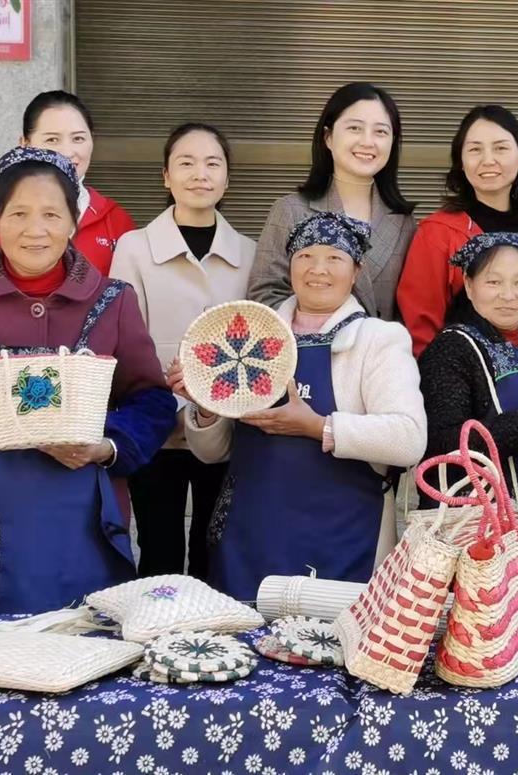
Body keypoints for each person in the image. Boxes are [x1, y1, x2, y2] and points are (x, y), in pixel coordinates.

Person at [172, 212, 426, 601]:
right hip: (250, 534)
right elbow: (213, 453)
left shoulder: (378, 339)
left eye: (334, 258)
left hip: (341, 536)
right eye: (305, 256)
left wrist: (317, 426)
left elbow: (409, 439)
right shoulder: (250, 336)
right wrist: (205, 406)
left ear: (356, 271)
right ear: (289, 266)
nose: (317, 269)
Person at [0, 147, 175, 614]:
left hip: (81, 525)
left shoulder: (112, 301)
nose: (35, 229)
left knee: (81, 642)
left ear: (73, 222)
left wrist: (106, 445)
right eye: (18, 213)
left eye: (51, 214)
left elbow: (152, 400)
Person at [109, 123, 256, 579]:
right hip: (154, 427)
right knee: (159, 552)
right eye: (186, 163)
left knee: (216, 549)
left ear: (227, 178)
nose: (200, 174)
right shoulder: (134, 248)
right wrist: (167, 393)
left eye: (213, 163)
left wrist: (214, 402)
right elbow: (124, 340)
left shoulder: (249, 253)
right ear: (166, 176)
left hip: (224, 427)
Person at [419, 232, 518, 556]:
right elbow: (441, 440)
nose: (508, 295)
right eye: (493, 282)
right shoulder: (451, 349)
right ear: (469, 285)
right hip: (482, 535)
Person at [397, 105, 518, 356]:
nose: (488, 160)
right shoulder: (437, 233)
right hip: (461, 374)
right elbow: (421, 331)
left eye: (500, 148)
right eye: (475, 149)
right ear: (460, 161)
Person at [248, 83, 417, 320]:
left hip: (381, 343)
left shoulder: (403, 222)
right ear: (328, 137)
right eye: (355, 128)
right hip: (305, 343)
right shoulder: (290, 210)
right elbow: (265, 296)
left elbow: (411, 308)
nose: (367, 141)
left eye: (380, 132)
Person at [0, 91, 136, 274]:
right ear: (25, 144)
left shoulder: (116, 221)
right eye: (52, 139)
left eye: (78, 138)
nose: (67, 152)